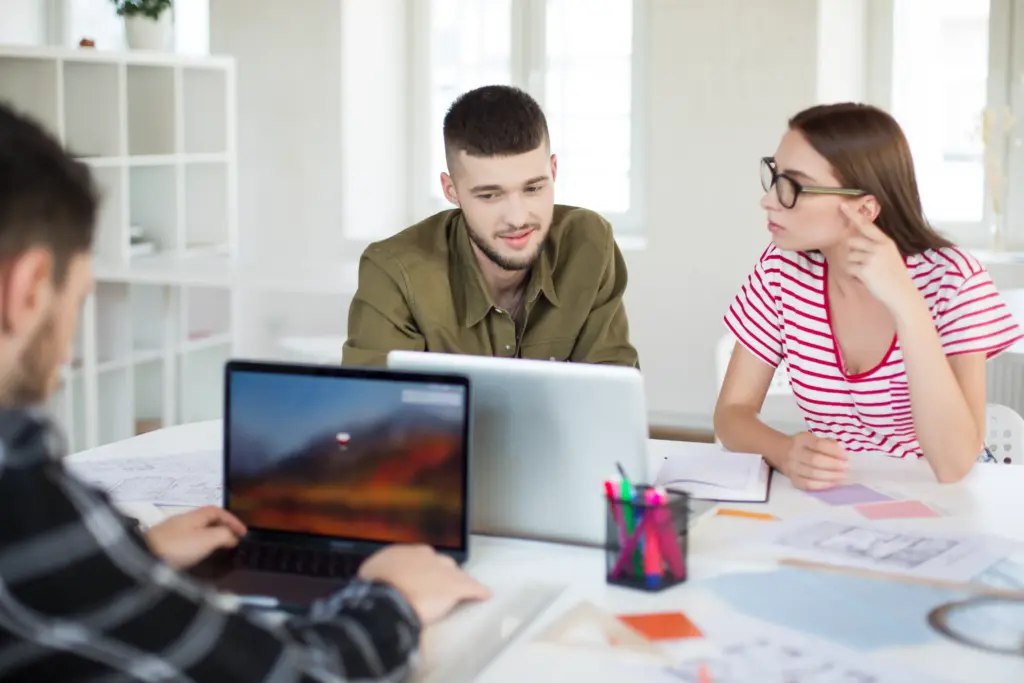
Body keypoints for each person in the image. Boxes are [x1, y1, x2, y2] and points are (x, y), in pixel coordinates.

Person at [0, 104, 489, 681]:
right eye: (77, 300)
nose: (69, 350)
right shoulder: (27, 505)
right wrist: (395, 599)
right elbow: (286, 673)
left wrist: (132, 562)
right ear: (29, 290)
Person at [714, 102, 1023, 490]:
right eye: (774, 176)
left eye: (792, 186)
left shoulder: (952, 280)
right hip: (838, 501)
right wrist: (784, 451)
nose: (769, 200)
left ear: (863, 208)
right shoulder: (781, 270)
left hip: (946, 502)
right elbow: (731, 414)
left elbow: (954, 464)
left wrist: (907, 304)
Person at [342, 85, 639, 368]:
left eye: (533, 189)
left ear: (553, 170)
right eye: (490, 195)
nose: (517, 218)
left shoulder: (590, 245)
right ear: (451, 191)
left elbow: (612, 394)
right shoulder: (393, 272)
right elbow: (377, 414)